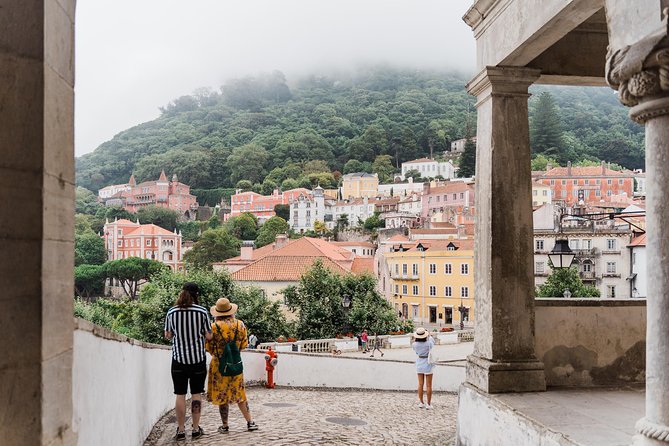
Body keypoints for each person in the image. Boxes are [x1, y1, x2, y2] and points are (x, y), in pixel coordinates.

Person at [164, 282, 213, 441]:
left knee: (180, 394)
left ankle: (180, 430)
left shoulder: (171, 312)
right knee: (196, 394)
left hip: (178, 360)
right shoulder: (202, 311)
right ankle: (196, 428)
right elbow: (209, 336)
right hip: (197, 360)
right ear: (196, 295)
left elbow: (168, 335)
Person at [206, 297, 259, 434]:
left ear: (217, 313)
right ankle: (250, 422)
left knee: (222, 395)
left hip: (219, 366)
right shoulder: (240, 325)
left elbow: (208, 347)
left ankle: (225, 426)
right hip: (235, 363)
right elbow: (244, 344)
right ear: (231, 311)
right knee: (240, 393)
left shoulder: (213, 327)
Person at [412, 327, 435, 410]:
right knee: (429, 385)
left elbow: (416, 352)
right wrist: (429, 334)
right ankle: (428, 404)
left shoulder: (414, 344)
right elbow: (433, 342)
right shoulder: (429, 343)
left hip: (419, 363)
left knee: (420, 384)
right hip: (427, 363)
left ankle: (421, 402)